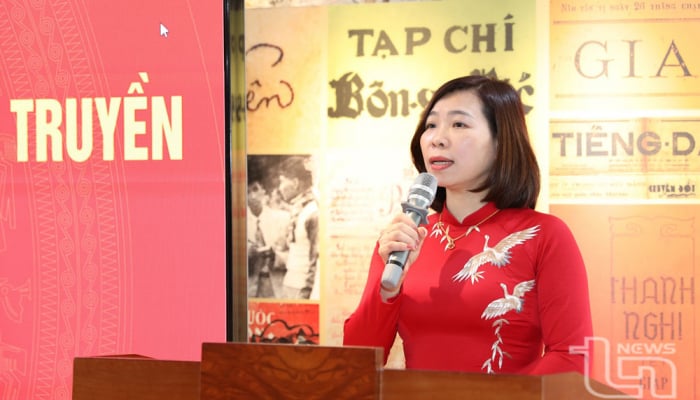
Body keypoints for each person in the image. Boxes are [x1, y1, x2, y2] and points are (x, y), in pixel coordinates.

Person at [343, 75, 593, 375]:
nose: (437, 138)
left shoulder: (545, 235)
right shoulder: (404, 237)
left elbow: (571, 357)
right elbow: (357, 361)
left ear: (501, 142)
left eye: (459, 124)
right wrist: (387, 293)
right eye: (431, 125)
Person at [277, 155, 320, 300]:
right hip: (290, 285)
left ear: (295, 183)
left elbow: (316, 260)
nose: (279, 188)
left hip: (302, 291)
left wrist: (305, 295)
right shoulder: (298, 209)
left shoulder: (313, 212)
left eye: (282, 181)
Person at [247, 174, 291, 298]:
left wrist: (276, 257)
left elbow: (296, 257)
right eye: (247, 192)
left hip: (278, 287)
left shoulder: (283, 219)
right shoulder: (236, 225)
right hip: (249, 290)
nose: (252, 196)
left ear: (263, 190)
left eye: (255, 189)